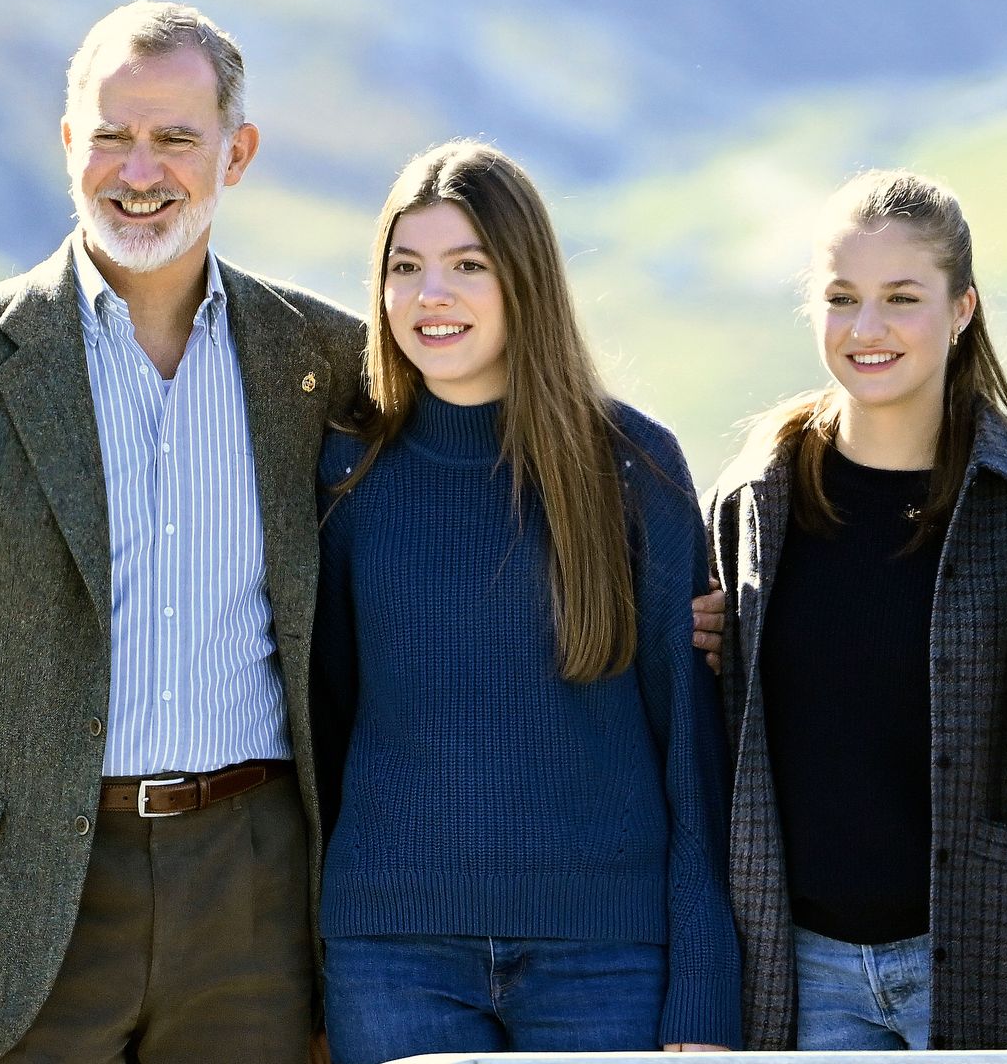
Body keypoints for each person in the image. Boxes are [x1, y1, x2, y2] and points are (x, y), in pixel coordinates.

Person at [0, 2, 364, 1063]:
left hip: (255, 890)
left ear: (237, 152)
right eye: (113, 134)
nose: (140, 169)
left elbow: (466, 495)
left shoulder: (322, 359)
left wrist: (662, 588)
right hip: (21, 903)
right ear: (69, 141)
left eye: (175, 137)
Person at [310, 140, 741, 1063]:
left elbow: (692, 756)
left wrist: (704, 1000)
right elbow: (326, 721)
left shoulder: (635, 467)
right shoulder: (349, 475)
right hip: (390, 956)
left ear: (526, 280)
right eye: (406, 268)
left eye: (469, 265)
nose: (433, 295)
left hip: (609, 961)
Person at [702, 170, 1007, 1051]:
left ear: (963, 307)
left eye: (902, 297)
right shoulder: (756, 500)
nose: (867, 329)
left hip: (986, 957)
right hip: (800, 969)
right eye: (841, 298)